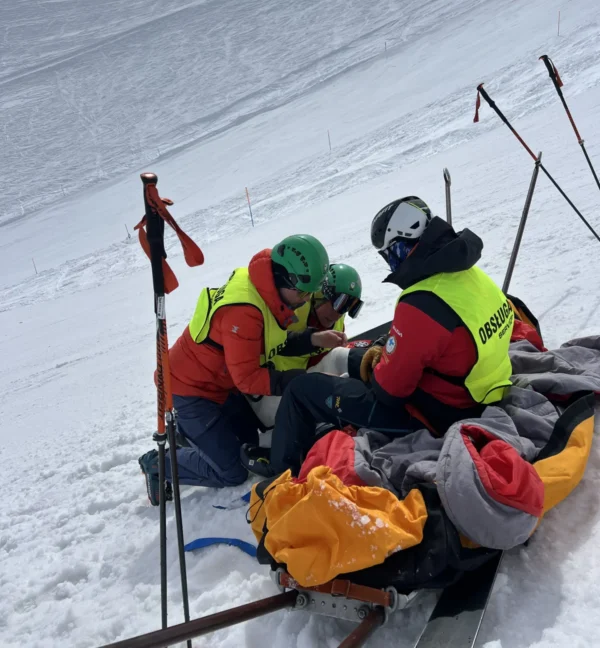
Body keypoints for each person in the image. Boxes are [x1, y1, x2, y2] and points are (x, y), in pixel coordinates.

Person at [250, 196, 516, 478]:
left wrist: (380, 364)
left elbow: (389, 392)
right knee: (355, 357)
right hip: (481, 390)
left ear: (402, 245)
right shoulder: (469, 275)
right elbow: (435, 340)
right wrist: (383, 353)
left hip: (434, 412)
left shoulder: (420, 302)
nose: (390, 263)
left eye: (389, 253)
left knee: (302, 389)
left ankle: (281, 471)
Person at [138, 234, 343, 504]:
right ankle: (159, 464)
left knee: (249, 445)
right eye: (303, 293)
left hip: (219, 383)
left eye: (310, 294)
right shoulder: (244, 312)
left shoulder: (266, 291)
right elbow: (248, 379)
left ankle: (191, 436)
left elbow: (270, 341)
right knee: (233, 470)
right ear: (285, 278)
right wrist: (307, 381)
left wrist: (312, 339)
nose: (305, 301)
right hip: (190, 389)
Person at [243, 263, 364, 437]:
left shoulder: (336, 322)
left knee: (340, 357)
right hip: (269, 390)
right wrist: (312, 340)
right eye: (339, 302)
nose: (339, 313)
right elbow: (266, 343)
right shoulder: (290, 307)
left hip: (300, 380)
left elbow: (321, 361)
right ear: (322, 293)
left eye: (350, 307)